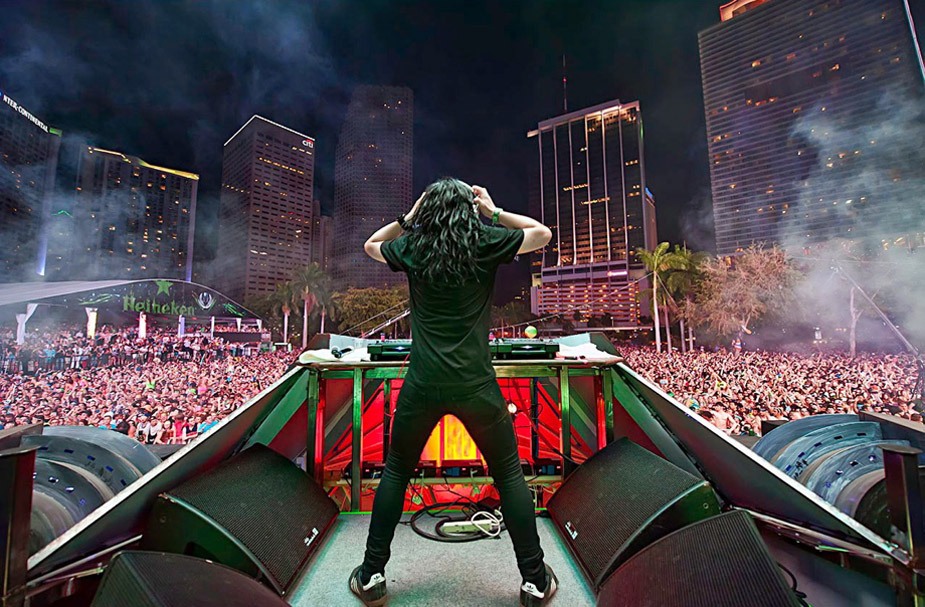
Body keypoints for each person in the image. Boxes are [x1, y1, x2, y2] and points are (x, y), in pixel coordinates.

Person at [349, 179, 556, 607]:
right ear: (469, 209)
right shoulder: (485, 241)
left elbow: (371, 245)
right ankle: (535, 581)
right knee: (509, 476)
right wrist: (493, 210)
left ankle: (370, 576)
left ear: (428, 210)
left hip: (422, 383)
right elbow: (541, 234)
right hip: (476, 385)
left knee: (395, 473)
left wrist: (410, 217)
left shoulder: (414, 246)